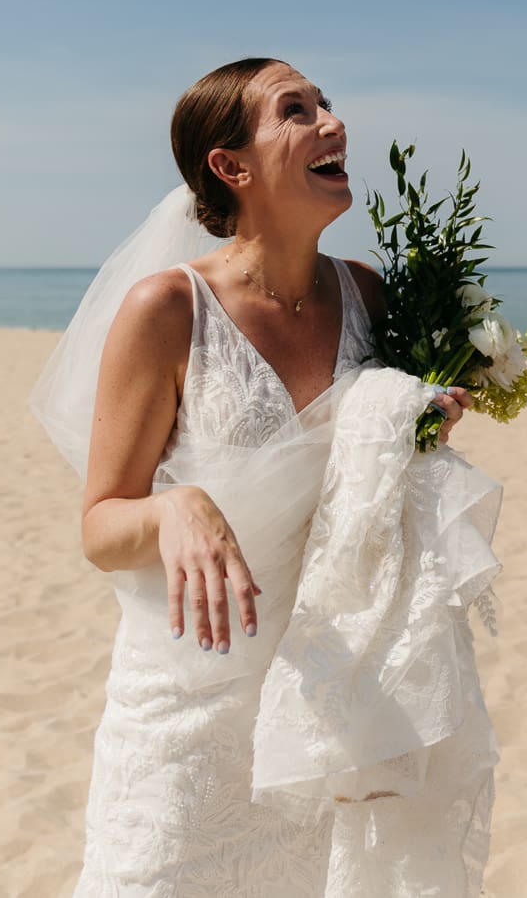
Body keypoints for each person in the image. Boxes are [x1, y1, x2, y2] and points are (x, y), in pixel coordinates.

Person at [31, 57, 498, 897]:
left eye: (326, 104)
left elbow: (374, 479)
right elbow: (100, 524)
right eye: (296, 110)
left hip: (326, 711)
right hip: (186, 716)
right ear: (231, 165)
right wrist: (172, 506)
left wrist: (417, 425)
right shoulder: (167, 310)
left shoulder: (369, 297)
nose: (332, 122)